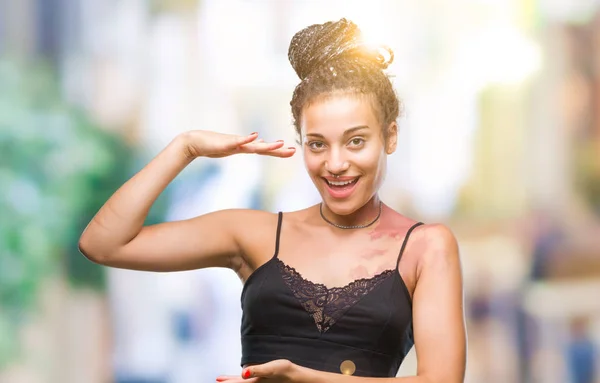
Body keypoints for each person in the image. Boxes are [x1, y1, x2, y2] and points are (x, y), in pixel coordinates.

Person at [79, 18, 466, 383]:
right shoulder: (254, 234)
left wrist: (305, 378)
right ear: (300, 143)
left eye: (356, 141)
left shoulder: (426, 247)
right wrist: (185, 148)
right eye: (317, 144)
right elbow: (103, 243)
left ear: (391, 136)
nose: (335, 163)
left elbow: (444, 379)